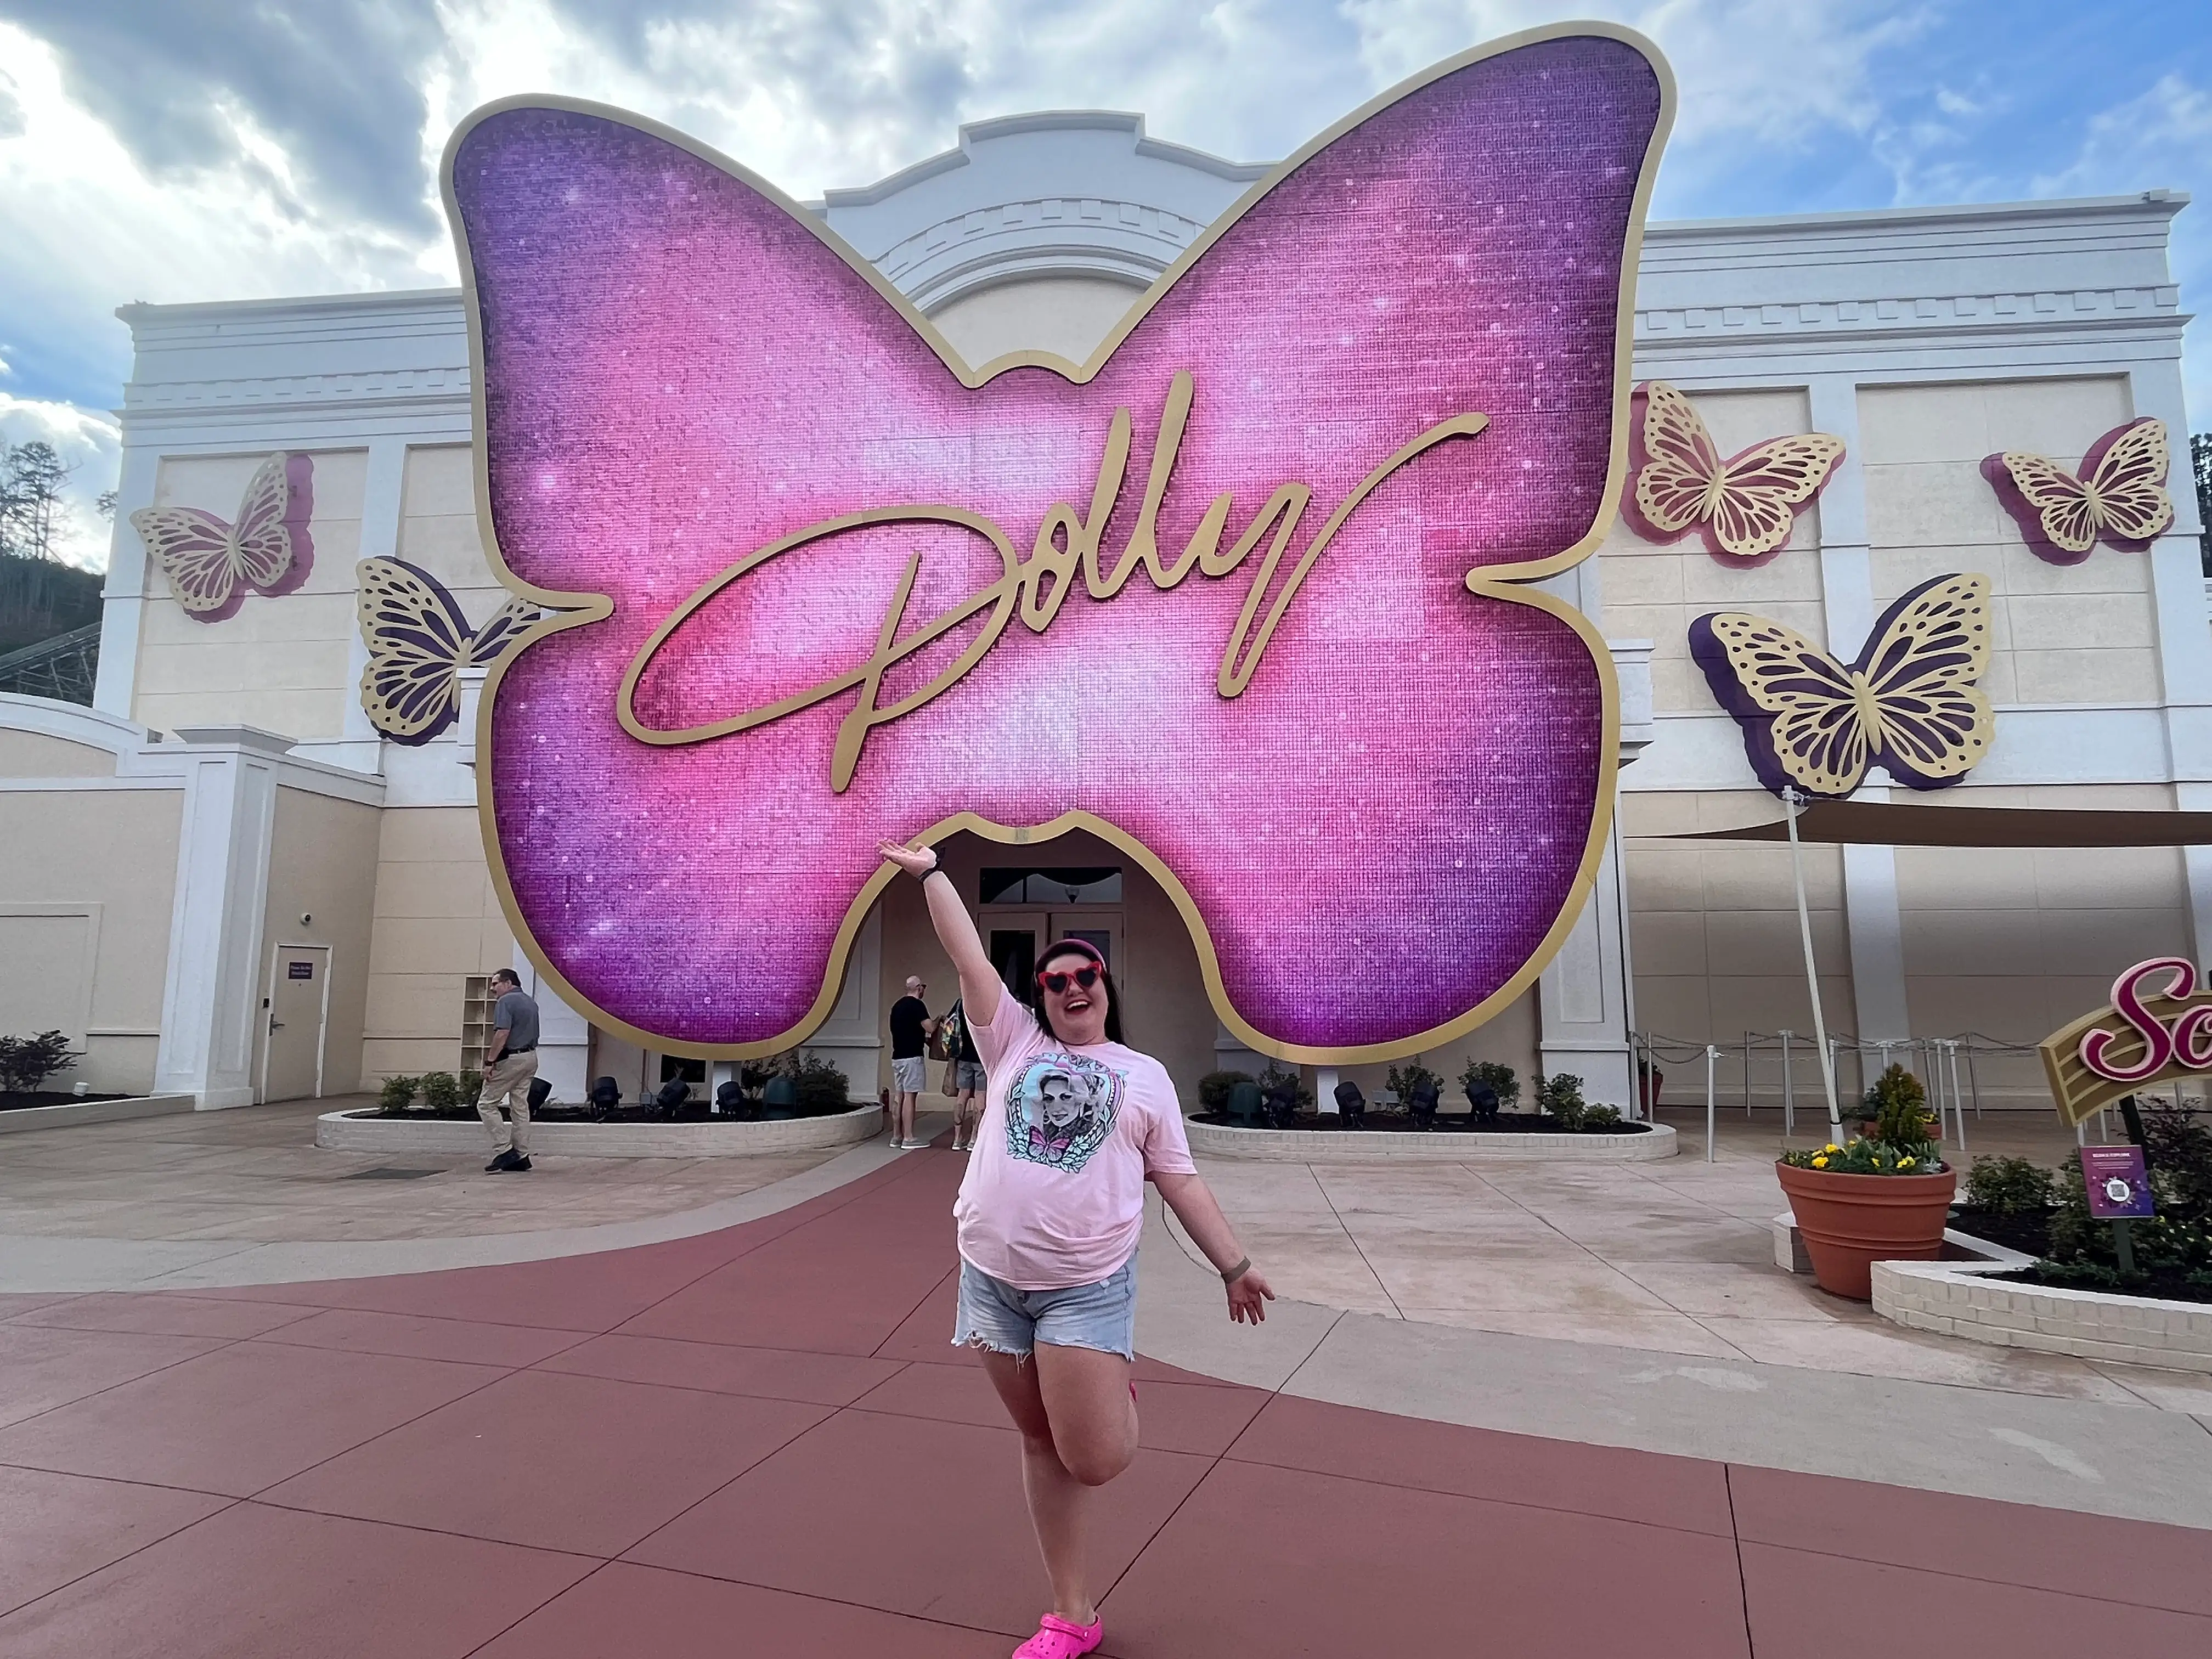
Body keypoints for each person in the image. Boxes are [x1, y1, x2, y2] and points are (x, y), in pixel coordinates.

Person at [878, 838, 1274, 1659]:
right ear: (1041, 999)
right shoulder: (1014, 1044)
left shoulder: (1145, 1076)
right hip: (989, 1284)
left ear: (1104, 987)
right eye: (1054, 981)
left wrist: (1233, 1265)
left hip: (1083, 1290)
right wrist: (933, 875)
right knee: (1039, 1443)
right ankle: (1071, 1612)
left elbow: (1181, 1182)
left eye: (1083, 975)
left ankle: (1110, 1402)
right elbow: (967, 955)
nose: (1069, 987)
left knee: (1092, 1459)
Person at [476, 968, 540, 1173]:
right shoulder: (530, 1002)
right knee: (520, 1107)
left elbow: (502, 1033)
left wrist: (489, 1062)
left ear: (508, 983)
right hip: (530, 1057)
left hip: (512, 1058)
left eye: (495, 984)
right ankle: (522, 1156)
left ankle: (504, 1151)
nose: (492, 989)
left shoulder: (505, 1002)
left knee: (486, 1104)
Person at [888, 974, 935, 1149]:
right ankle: (909, 1137)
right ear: (918, 988)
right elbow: (930, 1027)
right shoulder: (917, 1005)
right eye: (923, 987)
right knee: (910, 1096)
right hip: (912, 1057)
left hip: (897, 1056)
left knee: (898, 1095)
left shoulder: (897, 1006)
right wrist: (939, 1021)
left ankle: (896, 1136)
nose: (924, 990)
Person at [944, 995, 986, 1152]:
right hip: (981, 1057)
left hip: (962, 1057)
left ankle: (957, 1138)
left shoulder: (960, 1004)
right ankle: (974, 1138)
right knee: (980, 1096)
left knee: (963, 1095)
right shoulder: (986, 1003)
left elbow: (948, 1025)